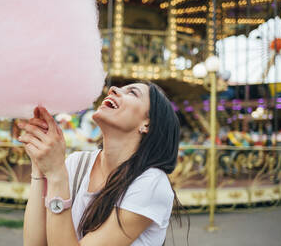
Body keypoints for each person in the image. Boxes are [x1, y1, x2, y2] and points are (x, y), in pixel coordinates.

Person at [18, 82, 182, 246]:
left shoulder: (150, 184)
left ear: (147, 124)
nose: (113, 89)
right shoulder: (78, 163)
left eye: (132, 93)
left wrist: (56, 174)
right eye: (118, 88)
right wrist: (39, 164)